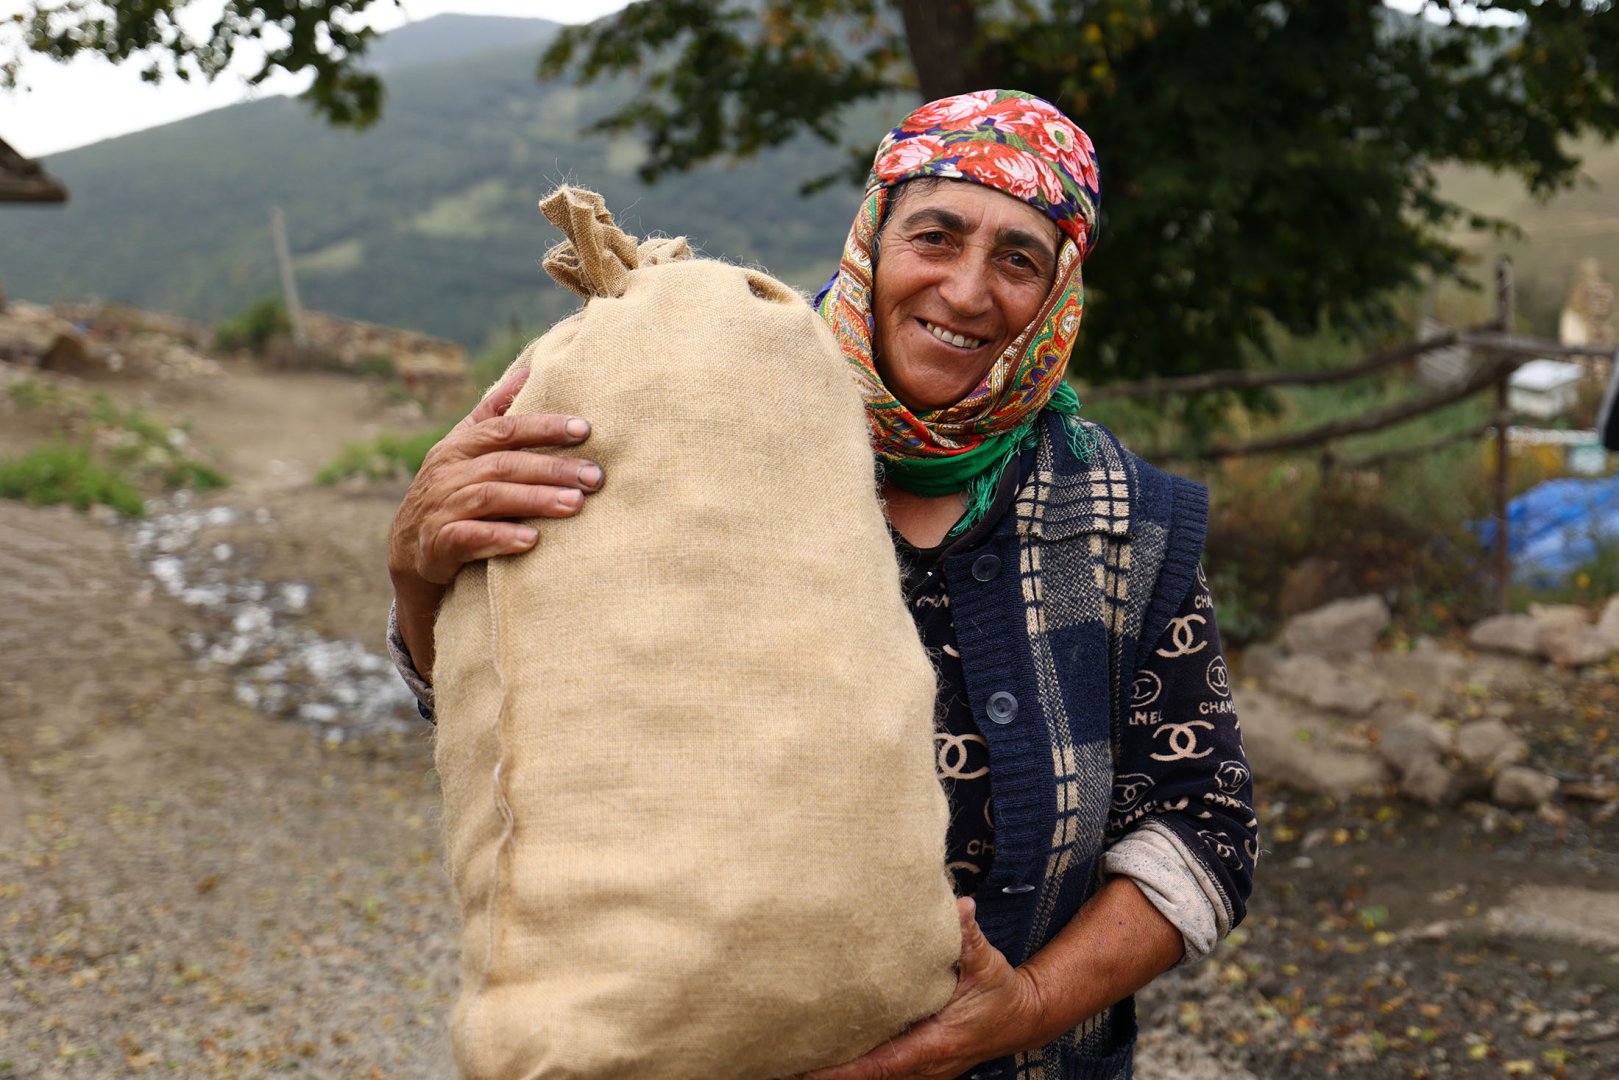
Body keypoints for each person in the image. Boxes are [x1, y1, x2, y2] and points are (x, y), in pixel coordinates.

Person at [387, 89, 1256, 1080]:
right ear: (870, 242)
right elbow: (528, 707)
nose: (967, 292)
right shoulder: (704, 424)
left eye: (1018, 258)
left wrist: (1024, 1010)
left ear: (1059, 290)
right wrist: (416, 568)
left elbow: (1204, 824)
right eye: (934, 236)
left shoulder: (1119, 521)